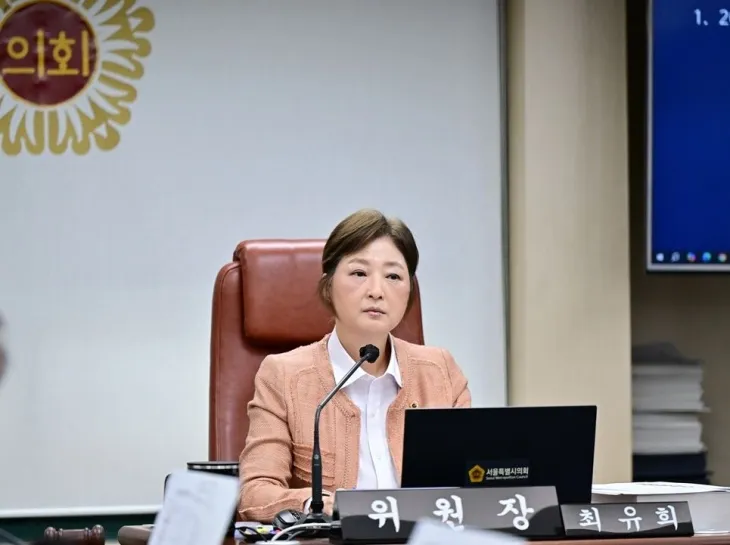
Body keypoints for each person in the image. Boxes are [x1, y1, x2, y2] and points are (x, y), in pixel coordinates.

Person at [238, 209, 471, 523]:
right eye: (359, 273)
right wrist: (317, 504)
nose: (376, 291)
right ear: (328, 285)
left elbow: (472, 485)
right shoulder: (283, 376)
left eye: (393, 276)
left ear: (409, 292)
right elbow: (255, 494)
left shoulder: (441, 372)